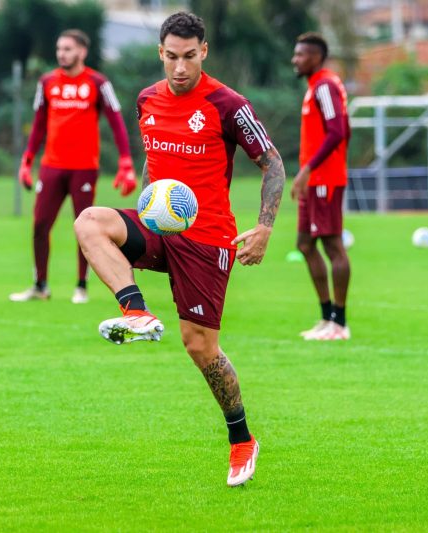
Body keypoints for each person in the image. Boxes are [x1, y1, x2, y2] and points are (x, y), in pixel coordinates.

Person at [73, 12, 285, 487]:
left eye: (190, 56)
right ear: (160, 53)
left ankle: (241, 440)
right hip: (159, 226)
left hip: (208, 239)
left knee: (200, 347)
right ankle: (136, 312)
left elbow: (272, 163)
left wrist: (265, 227)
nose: (180, 67)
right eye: (172, 56)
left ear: (203, 52)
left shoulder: (228, 104)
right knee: (90, 221)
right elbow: (153, 158)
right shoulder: (147, 98)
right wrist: (147, 206)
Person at [10, 29, 137, 304]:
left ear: (82, 51)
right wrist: (27, 160)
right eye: (59, 49)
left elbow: (116, 121)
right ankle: (40, 285)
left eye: (67, 49)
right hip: (52, 166)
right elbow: (39, 124)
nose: (61, 54)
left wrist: (125, 161)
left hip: (83, 168)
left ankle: (81, 286)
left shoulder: (98, 82)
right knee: (40, 224)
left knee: (85, 227)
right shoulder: (46, 83)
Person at [290, 32, 351, 341]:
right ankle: (327, 317)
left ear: (316, 57)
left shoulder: (325, 85)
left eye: (301, 54)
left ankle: (339, 322)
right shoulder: (315, 86)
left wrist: (308, 170)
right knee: (304, 243)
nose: (295, 59)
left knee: (332, 246)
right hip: (314, 181)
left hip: (324, 179)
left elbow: (337, 130)